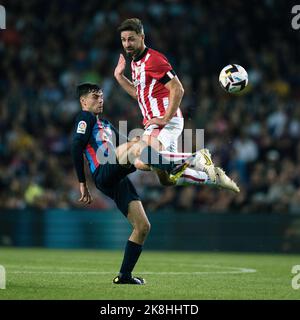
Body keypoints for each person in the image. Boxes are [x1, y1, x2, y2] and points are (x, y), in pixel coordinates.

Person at [114, 18, 239, 191]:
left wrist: (165, 119)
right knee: (166, 178)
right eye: (124, 40)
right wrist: (119, 77)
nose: (127, 44)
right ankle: (214, 179)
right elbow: (140, 95)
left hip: (165, 119)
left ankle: (196, 159)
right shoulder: (135, 62)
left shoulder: (153, 60)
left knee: (142, 156)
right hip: (158, 121)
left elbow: (178, 89)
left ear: (142, 37)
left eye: (131, 39)